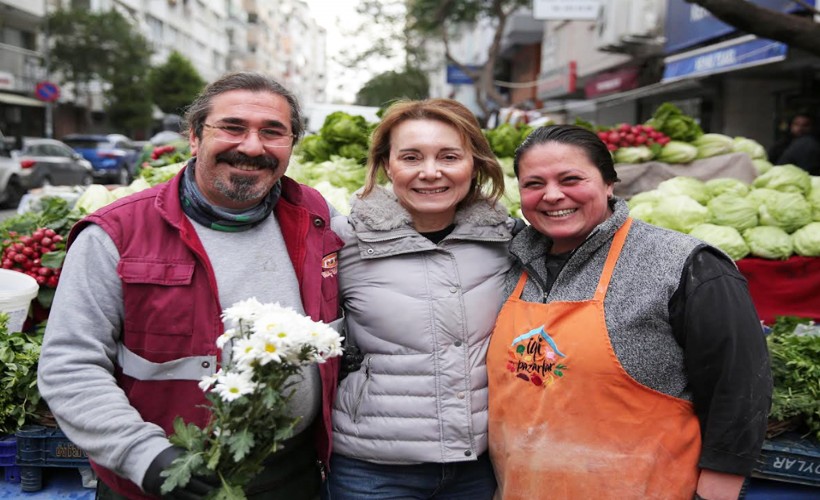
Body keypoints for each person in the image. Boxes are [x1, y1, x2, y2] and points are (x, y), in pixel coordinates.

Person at [37, 72, 343, 499]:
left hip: (290, 476)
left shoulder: (315, 217)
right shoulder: (116, 234)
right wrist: (142, 456)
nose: (252, 147)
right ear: (195, 137)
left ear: (291, 145)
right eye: (232, 128)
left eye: (273, 132)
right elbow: (70, 365)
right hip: (162, 479)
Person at [487, 125, 772, 500]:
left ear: (609, 183)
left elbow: (738, 387)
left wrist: (719, 491)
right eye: (534, 184)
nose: (553, 195)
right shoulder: (510, 265)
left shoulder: (685, 265)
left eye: (571, 179)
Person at [326, 98, 518, 499]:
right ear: (385, 164)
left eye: (449, 156)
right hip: (372, 470)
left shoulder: (510, 241)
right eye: (411, 157)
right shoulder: (343, 242)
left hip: (480, 466)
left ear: (475, 162)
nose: (431, 173)